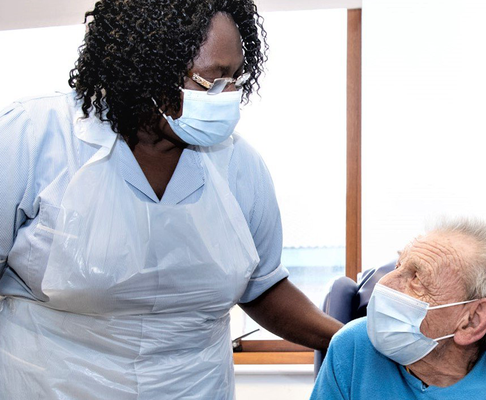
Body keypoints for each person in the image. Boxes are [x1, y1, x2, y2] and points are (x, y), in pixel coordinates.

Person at [0, 1, 342, 398]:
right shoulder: (33, 138)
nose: (226, 95)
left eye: (234, 78)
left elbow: (262, 287)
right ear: (147, 69)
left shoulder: (239, 165)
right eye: (210, 80)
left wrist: (352, 341)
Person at [311, 217, 486, 399]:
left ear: (472, 321)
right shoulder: (353, 348)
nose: (384, 285)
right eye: (398, 266)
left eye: (417, 277)